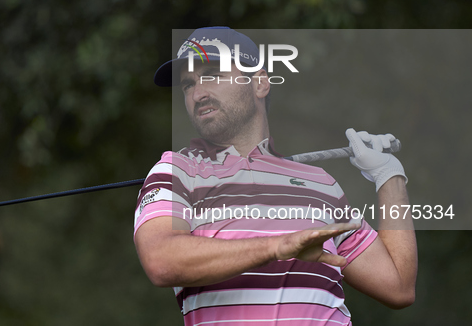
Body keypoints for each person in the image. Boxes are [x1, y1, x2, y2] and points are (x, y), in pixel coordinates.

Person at [133, 27, 417, 325]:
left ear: (260, 83)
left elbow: (398, 286)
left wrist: (388, 174)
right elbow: (160, 260)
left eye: (212, 74)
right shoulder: (178, 171)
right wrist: (276, 246)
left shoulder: (320, 183)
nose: (198, 93)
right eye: (188, 85)